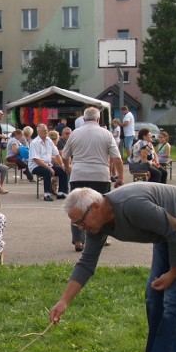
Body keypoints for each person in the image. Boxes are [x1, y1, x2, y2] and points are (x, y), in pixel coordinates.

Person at [51, 186, 176, 352]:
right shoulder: (97, 226)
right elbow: (86, 263)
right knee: (154, 297)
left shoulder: (131, 206)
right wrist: (64, 301)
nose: (80, 228)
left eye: (80, 221)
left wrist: (173, 272)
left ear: (95, 207)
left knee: (175, 299)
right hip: (166, 233)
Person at [62, 106, 125, 252]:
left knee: (77, 207)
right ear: (98, 119)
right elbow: (117, 158)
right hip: (100, 175)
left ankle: (78, 240)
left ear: (84, 119)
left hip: (78, 174)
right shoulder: (106, 134)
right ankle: (100, 238)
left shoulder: (75, 134)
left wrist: (69, 168)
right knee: (101, 208)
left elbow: (65, 156)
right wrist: (120, 177)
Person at [29, 123, 69, 202]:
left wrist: (62, 164)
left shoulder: (49, 140)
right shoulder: (35, 142)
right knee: (47, 171)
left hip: (48, 164)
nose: (46, 132)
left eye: (47, 130)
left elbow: (56, 154)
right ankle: (47, 194)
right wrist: (49, 168)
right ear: (39, 132)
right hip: (36, 166)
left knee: (63, 170)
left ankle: (61, 193)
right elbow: (36, 160)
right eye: (44, 130)